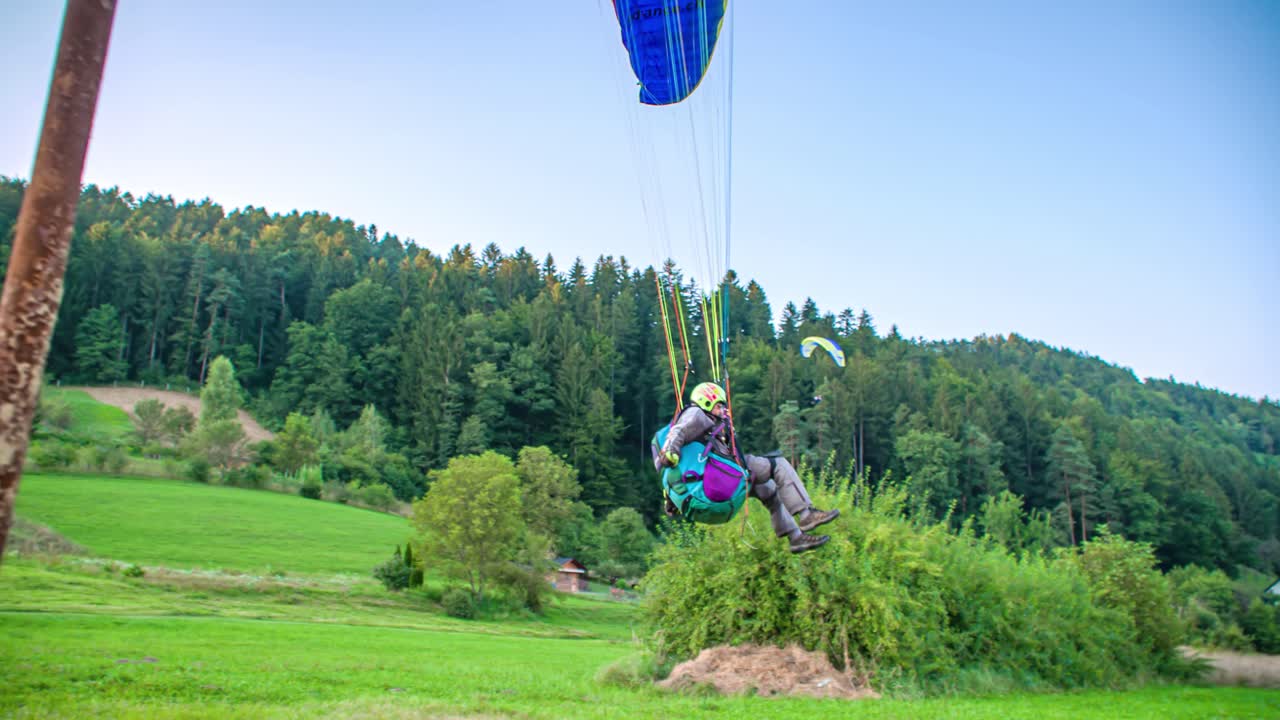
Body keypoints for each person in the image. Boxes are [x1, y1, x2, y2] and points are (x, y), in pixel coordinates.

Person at [657, 382, 839, 553]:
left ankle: (796, 537)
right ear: (707, 401)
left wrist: (672, 501)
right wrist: (668, 452)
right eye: (719, 406)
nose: (723, 410)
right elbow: (678, 431)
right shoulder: (697, 414)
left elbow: (679, 471)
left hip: (710, 490)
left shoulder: (708, 425)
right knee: (779, 464)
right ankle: (806, 514)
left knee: (769, 490)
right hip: (720, 477)